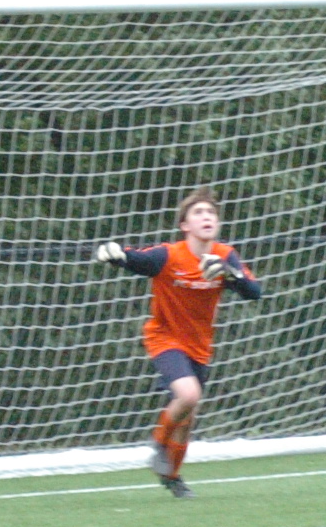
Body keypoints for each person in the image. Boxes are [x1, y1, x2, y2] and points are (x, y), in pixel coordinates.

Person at [97, 189, 261, 499]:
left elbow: (254, 292)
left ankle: (172, 477)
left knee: (187, 419)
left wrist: (231, 275)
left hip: (199, 346)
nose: (206, 217)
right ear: (185, 225)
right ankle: (159, 444)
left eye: (211, 213)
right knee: (189, 395)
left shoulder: (225, 256)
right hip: (164, 338)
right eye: (198, 212)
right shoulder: (169, 255)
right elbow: (137, 260)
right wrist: (117, 254)